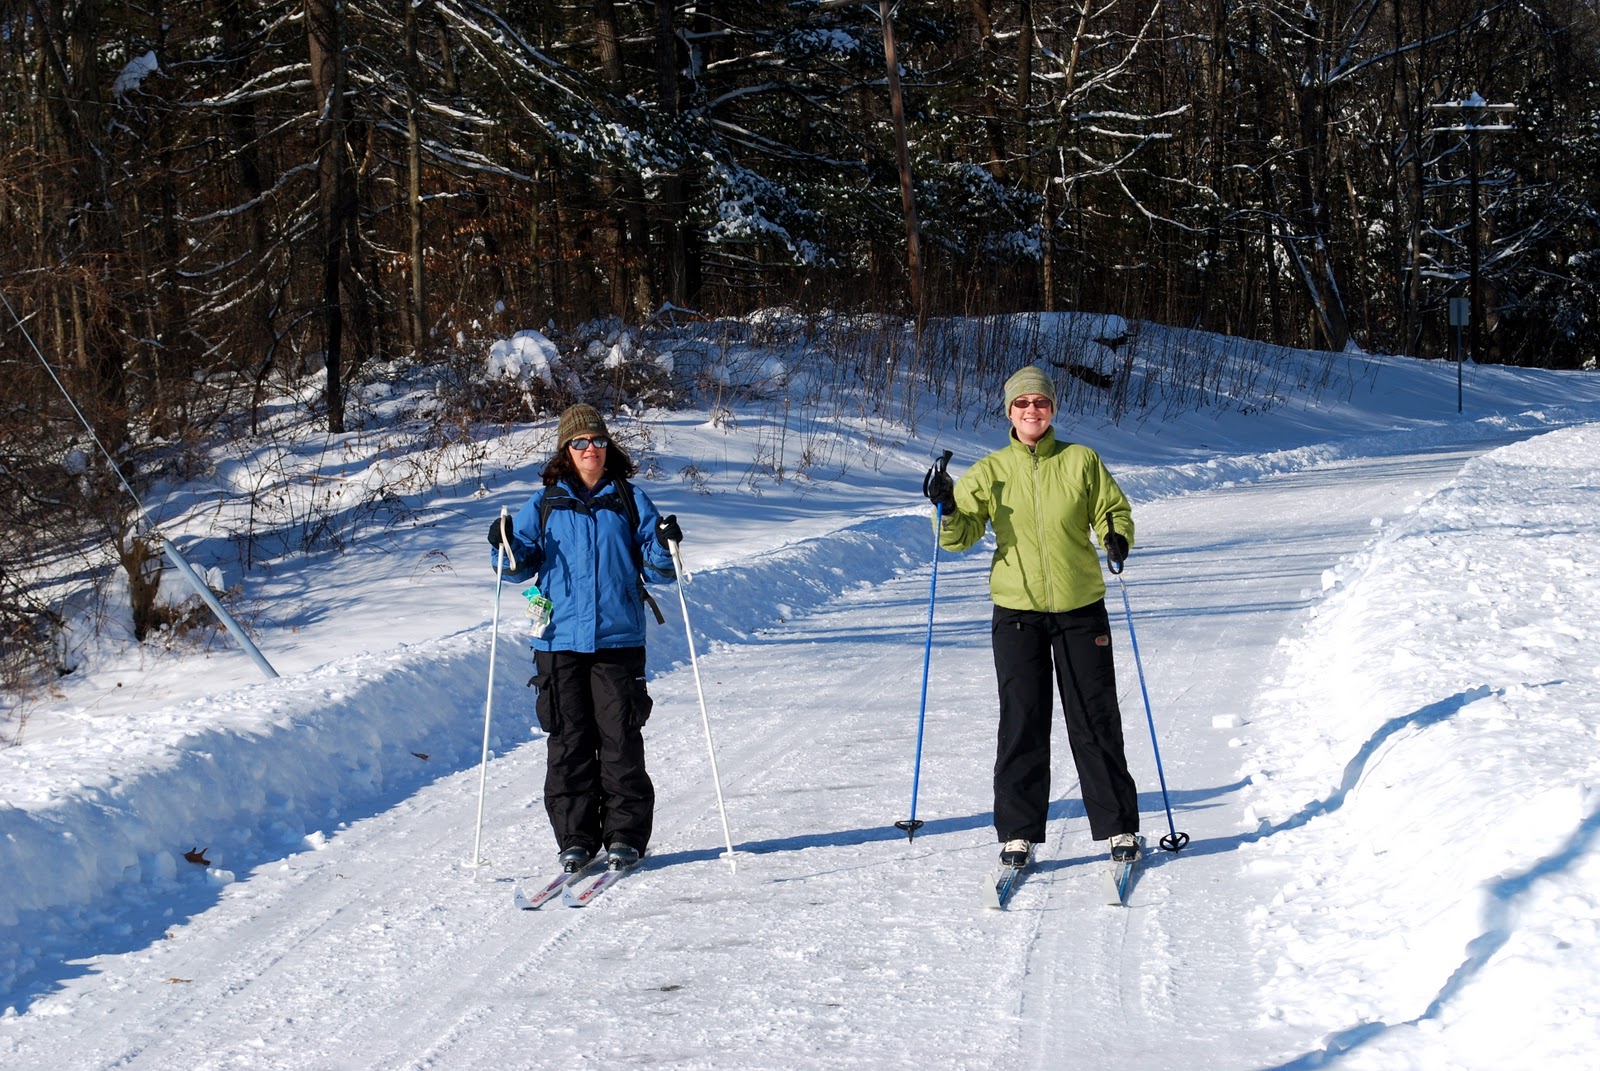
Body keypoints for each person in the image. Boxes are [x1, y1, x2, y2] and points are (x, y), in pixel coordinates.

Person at [924, 366, 1141, 868]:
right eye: (1021, 404)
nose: (1031, 411)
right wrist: (946, 507)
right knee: (1022, 721)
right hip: (1016, 613)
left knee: (1094, 718)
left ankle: (1119, 829)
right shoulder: (991, 470)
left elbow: (1113, 509)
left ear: (1052, 409)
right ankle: (1018, 833)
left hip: (1080, 607)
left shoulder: (1081, 461)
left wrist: (1116, 536)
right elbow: (957, 537)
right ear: (1009, 412)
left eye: (1040, 402)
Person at [487, 403, 681, 873]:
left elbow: (660, 571)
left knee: (620, 741)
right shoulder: (546, 502)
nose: (590, 449)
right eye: (579, 443)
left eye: (596, 441)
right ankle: (575, 838)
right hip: (558, 641)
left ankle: (624, 837)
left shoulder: (630, 499)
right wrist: (504, 544)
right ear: (565, 451)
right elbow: (517, 567)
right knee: (569, 742)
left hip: (618, 641)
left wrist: (666, 540)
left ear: (607, 446)